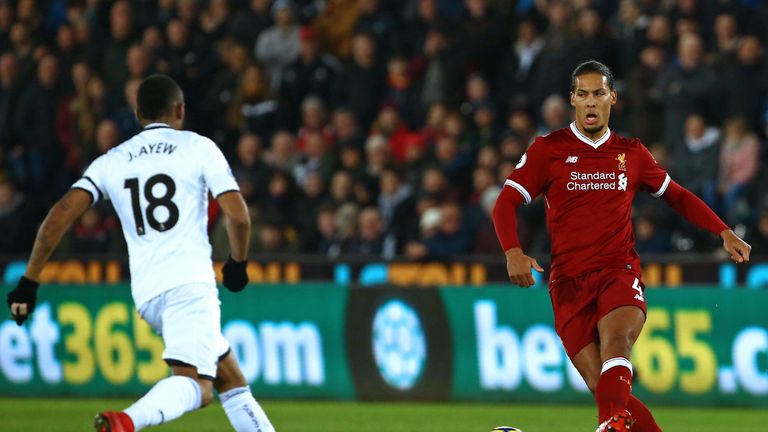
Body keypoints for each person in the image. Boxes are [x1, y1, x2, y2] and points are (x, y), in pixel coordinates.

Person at [492, 61, 751, 432]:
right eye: (582, 94)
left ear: (612, 97)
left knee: (618, 341)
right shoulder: (548, 150)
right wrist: (512, 250)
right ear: (573, 100)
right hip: (567, 283)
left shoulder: (631, 153)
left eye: (598, 93)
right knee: (605, 389)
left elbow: (676, 196)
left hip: (618, 271)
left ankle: (609, 424)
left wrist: (722, 230)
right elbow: (506, 202)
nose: (591, 101)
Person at [6, 74, 275, 432]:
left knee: (231, 380)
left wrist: (29, 281)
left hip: (148, 293)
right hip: (189, 285)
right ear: (180, 110)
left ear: (137, 113)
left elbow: (58, 217)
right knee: (198, 386)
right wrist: (238, 264)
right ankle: (126, 422)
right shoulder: (198, 147)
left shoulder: (111, 161)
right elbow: (238, 216)